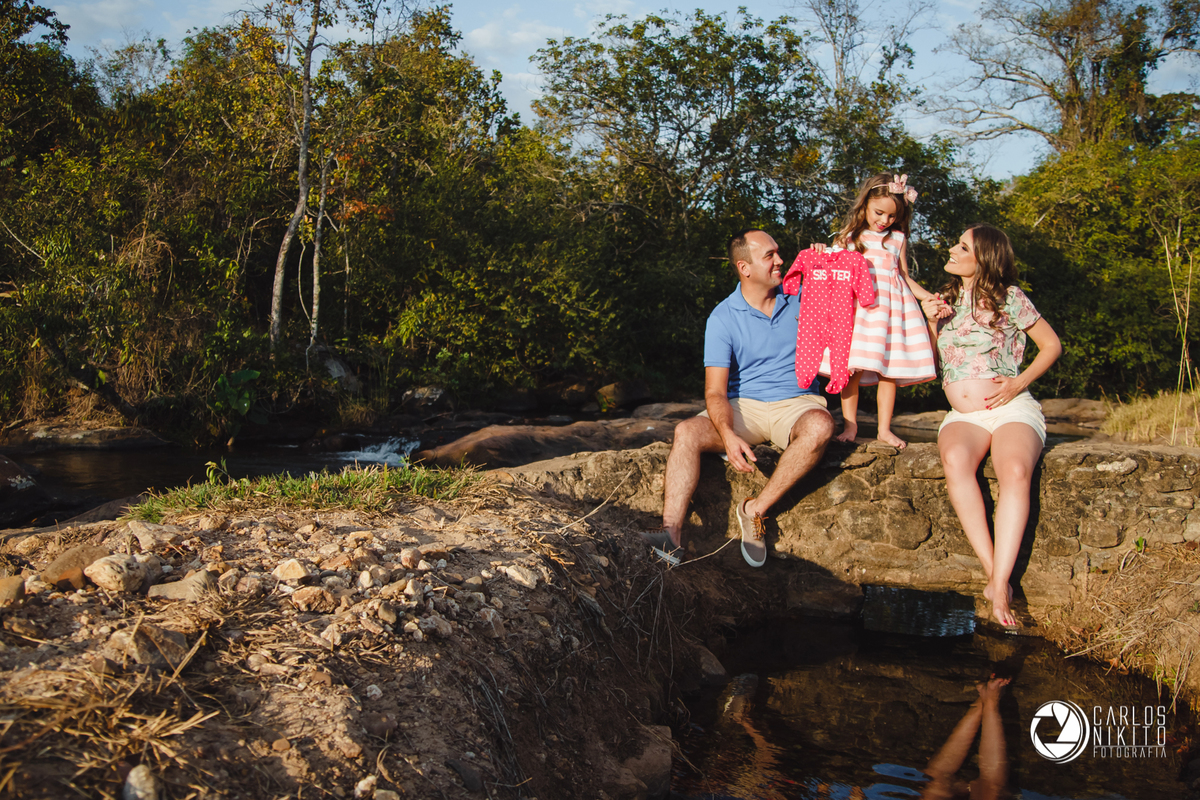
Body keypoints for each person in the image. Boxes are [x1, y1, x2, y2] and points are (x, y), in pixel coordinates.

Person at [641, 229, 834, 567]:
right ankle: (670, 536)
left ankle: (754, 509)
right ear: (744, 268)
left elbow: (849, 296)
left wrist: (825, 260)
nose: (780, 261)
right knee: (686, 431)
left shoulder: (803, 293)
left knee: (820, 426)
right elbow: (715, 391)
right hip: (744, 406)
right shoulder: (722, 317)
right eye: (770, 255)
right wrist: (728, 435)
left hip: (798, 403)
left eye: (779, 253)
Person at [921, 223, 1062, 629]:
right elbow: (929, 365)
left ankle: (1000, 584)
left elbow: (1051, 345)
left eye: (961, 246)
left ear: (982, 258)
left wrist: (1019, 381)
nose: (951, 249)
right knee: (955, 459)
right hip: (964, 416)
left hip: (1011, 408)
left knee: (1014, 469)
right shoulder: (943, 299)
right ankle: (994, 575)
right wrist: (930, 323)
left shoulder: (1010, 298)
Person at [820, 173, 941, 449]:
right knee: (851, 368)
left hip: (891, 310)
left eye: (891, 215)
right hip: (859, 312)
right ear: (864, 205)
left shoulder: (896, 238)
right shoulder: (849, 238)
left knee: (889, 369)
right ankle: (850, 424)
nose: (884, 220)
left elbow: (905, 277)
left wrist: (927, 297)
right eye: (879, 212)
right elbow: (833, 277)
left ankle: (884, 429)